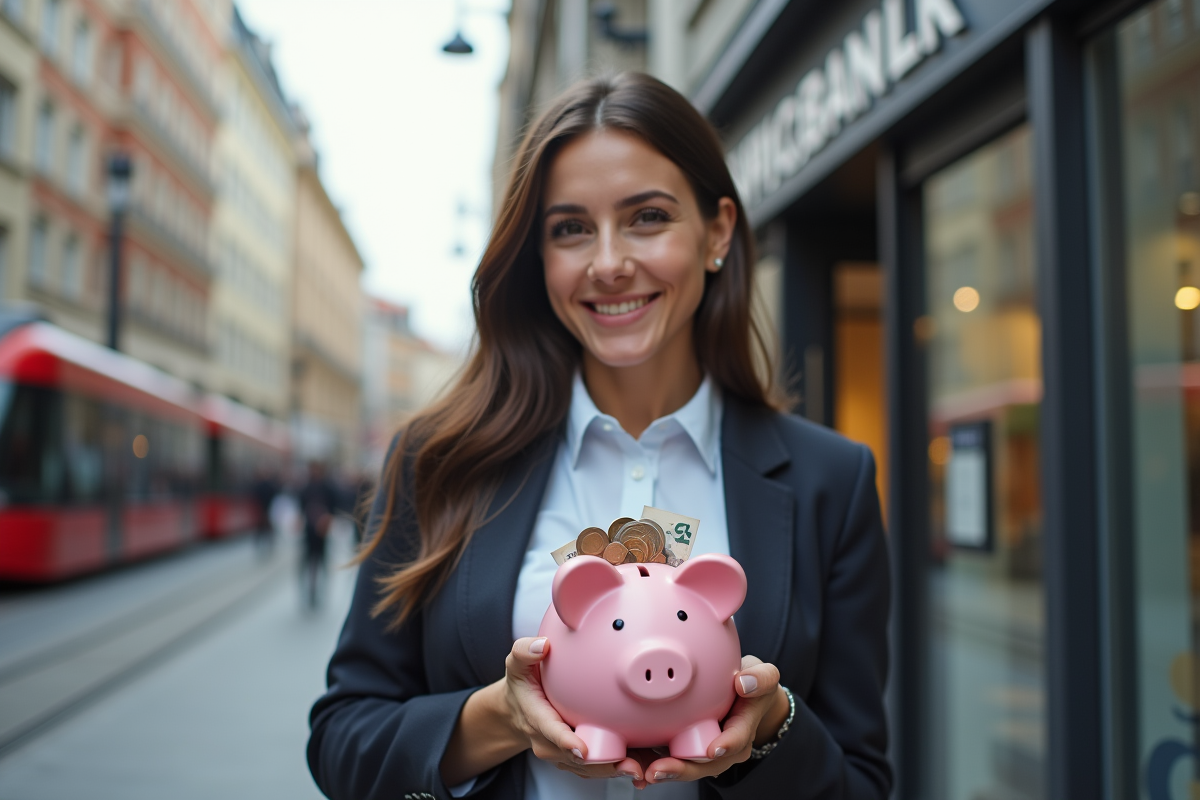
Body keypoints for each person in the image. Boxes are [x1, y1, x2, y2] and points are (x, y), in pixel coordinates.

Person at [308, 73, 890, 800]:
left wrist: (771, 729)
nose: (608, 262)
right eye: (571, 228)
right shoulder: (439, 463)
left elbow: (863, 784)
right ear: (539, 257)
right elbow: (342, 742)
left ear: (717, 233)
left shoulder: (830, 482)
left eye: (647, 217)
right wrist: (498, 718)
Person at [299, 460, 341, 609]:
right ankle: (310, 591)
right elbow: (300, 508)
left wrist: (328, 520)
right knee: (308, 563)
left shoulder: (328, 488)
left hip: (322, 533)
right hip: (309, 532)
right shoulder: (306, 487)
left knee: (322, 562)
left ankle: (320, 591)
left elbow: (335, 507)